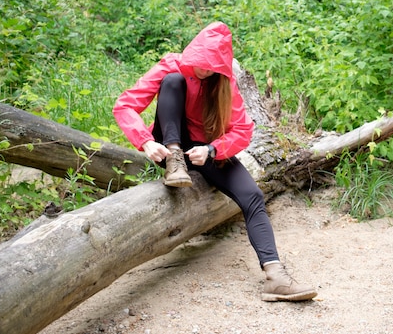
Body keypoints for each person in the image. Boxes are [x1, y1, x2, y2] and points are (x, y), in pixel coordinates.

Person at [113, 21, 317, 302]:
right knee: (173, 81)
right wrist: (146, 141)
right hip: (170, 143)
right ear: (193, 52)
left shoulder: (224, 83)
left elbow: (243, 131)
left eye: (212, 67)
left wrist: (211, 150)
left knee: (253, 196)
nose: (205, 71)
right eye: (201, 63)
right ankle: (174, 161)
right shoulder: (172, 64)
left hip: (204, 150)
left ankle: (276, 277)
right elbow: (125, 105)